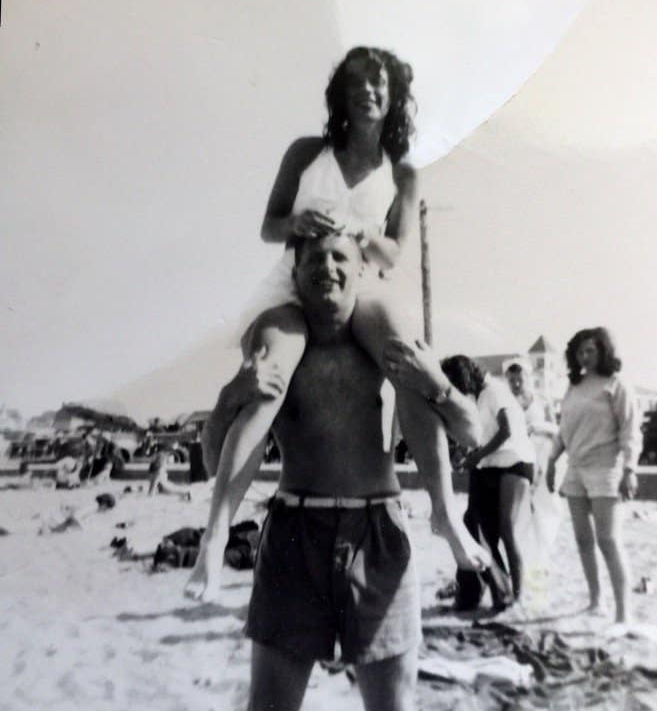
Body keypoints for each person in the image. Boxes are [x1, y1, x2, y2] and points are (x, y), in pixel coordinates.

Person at [185, 46, 476, 602]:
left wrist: (368, 238)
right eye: (358, 83)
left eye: (380, 84)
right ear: (342, 94)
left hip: (361, 278)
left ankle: (445, 515)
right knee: (268, 376)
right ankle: (216, 534)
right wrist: (297, 220)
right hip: (294, 278)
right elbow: (269, 227)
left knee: (408, 361)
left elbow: (395, 252)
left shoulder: (404, 172)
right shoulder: (306, 153)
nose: (368, 91)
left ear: (394, 99)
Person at [236, 233, 489, 711]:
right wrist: (229, 398)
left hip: (376, 531)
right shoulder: (279, 344)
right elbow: (217, 451)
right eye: (314, 259)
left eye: (339, 258)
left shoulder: (387, 339)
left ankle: (446, 516)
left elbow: (472, 432)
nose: (326, 267)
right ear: (295, 272)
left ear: (361, 271)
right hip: (294, 531)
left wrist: (435, 381)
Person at [546, 327, 641, 624]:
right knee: (583, 540)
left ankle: (624, 615)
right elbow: (564, 430)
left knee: (608, 540)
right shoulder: (574, 386)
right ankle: (596, 601)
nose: (585, 357)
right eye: (580, 352)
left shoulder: (616, 384)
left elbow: (630, 430)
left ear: (603, 351)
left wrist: (630, 469)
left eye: (590, 350)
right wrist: (551, 461)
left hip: (606, 468)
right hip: (575, 469)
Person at [438, 356, 536, 611]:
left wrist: (478, 456)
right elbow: (479, 436)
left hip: (515, 463)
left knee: (506, 530)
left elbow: (507, 431)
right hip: (489, 466)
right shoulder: (476, 398)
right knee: (473, 529)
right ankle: (472, 593)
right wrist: (465, 454)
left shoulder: (495, 391)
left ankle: (516, 595)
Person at [504, 357, 558, 485]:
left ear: (527, 378)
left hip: (541, 451)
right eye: (512, 380)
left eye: (520, 380)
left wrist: (535, 426)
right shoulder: (504, 402)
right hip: (516, 455)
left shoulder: (542, 399)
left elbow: (556, 430)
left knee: (543, 496)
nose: (516, 384)